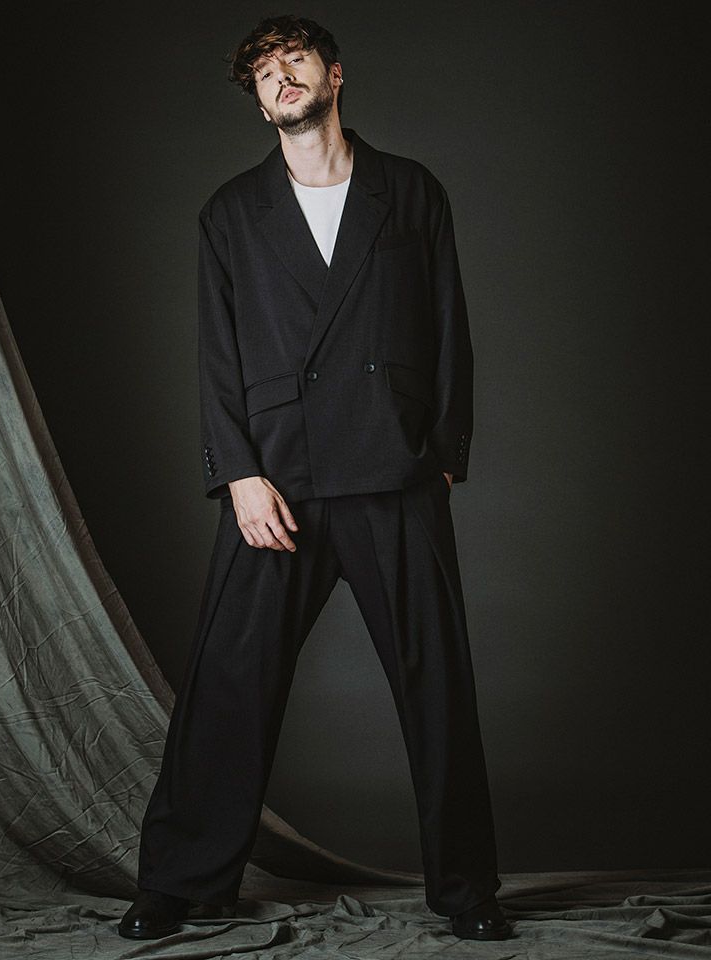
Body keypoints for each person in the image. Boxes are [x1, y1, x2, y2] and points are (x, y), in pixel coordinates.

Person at [119, 13, 513, 943]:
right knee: (228, 683)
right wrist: (238, 474)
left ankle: (468, 891)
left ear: (334, 76)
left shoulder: (409, 191)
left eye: (294, 59)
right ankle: (179, 881)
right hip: (277, 483)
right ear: (259, 103)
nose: (280, 77)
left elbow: (449, 325)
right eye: (263, 72)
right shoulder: (230, 213)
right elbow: (217, 357)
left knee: (437, 686)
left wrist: (442, 454)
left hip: (392, 471)